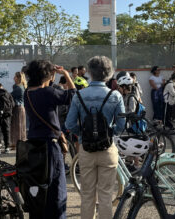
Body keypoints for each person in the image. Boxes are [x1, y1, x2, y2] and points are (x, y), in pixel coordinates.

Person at [65, 56, 125, 219]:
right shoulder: (115, 95)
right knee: (106, 195)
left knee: (87, 194)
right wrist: (108, 132)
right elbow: (121, 125)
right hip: (107, 148)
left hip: (86, 148)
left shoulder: (79, 95)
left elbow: (69, 124)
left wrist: (83, 134)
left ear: (90, 72)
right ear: (108, 73)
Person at [24, 60, 75, 219]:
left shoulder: (27, 93)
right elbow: (73, 95)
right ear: (46, 75)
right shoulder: (48, 93)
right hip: (50, 147)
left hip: (33, 145)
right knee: (56, 189)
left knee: (38, 186)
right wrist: (66, 74)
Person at [0, 83, 15, 153]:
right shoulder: (8, 93)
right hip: (6, 115)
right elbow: (13, 104)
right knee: (6, 131)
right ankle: (7, 147)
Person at [10, 72, 27, 150]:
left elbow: (10, 96)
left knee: (17, 127)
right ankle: (17, 143)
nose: (14, 78)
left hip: (18, 108)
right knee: (19, 126)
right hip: (20, 108)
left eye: (15, 76)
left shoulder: (18, 88)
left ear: (18, 78)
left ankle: (17, 143)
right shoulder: (20, 86)